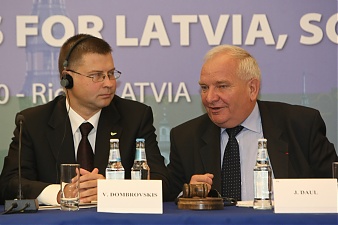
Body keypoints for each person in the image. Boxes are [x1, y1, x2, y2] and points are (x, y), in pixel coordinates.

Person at [0, 34, 171, 205]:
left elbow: (162, 183)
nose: (109, 83)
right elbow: (9, 183)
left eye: (111, 73)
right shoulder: (33, 122)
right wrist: (60, 194)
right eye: (96, 75)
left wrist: (111, 189)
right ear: (67, 79)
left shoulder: (135, 117)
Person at [167, 45, 338, 201]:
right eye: (204, 88)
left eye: (222, 86)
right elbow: (167, 198)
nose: (210, 97)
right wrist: (188, 193)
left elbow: (333, 186)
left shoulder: (300, 125)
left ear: (252, 89)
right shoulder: (185, 138)